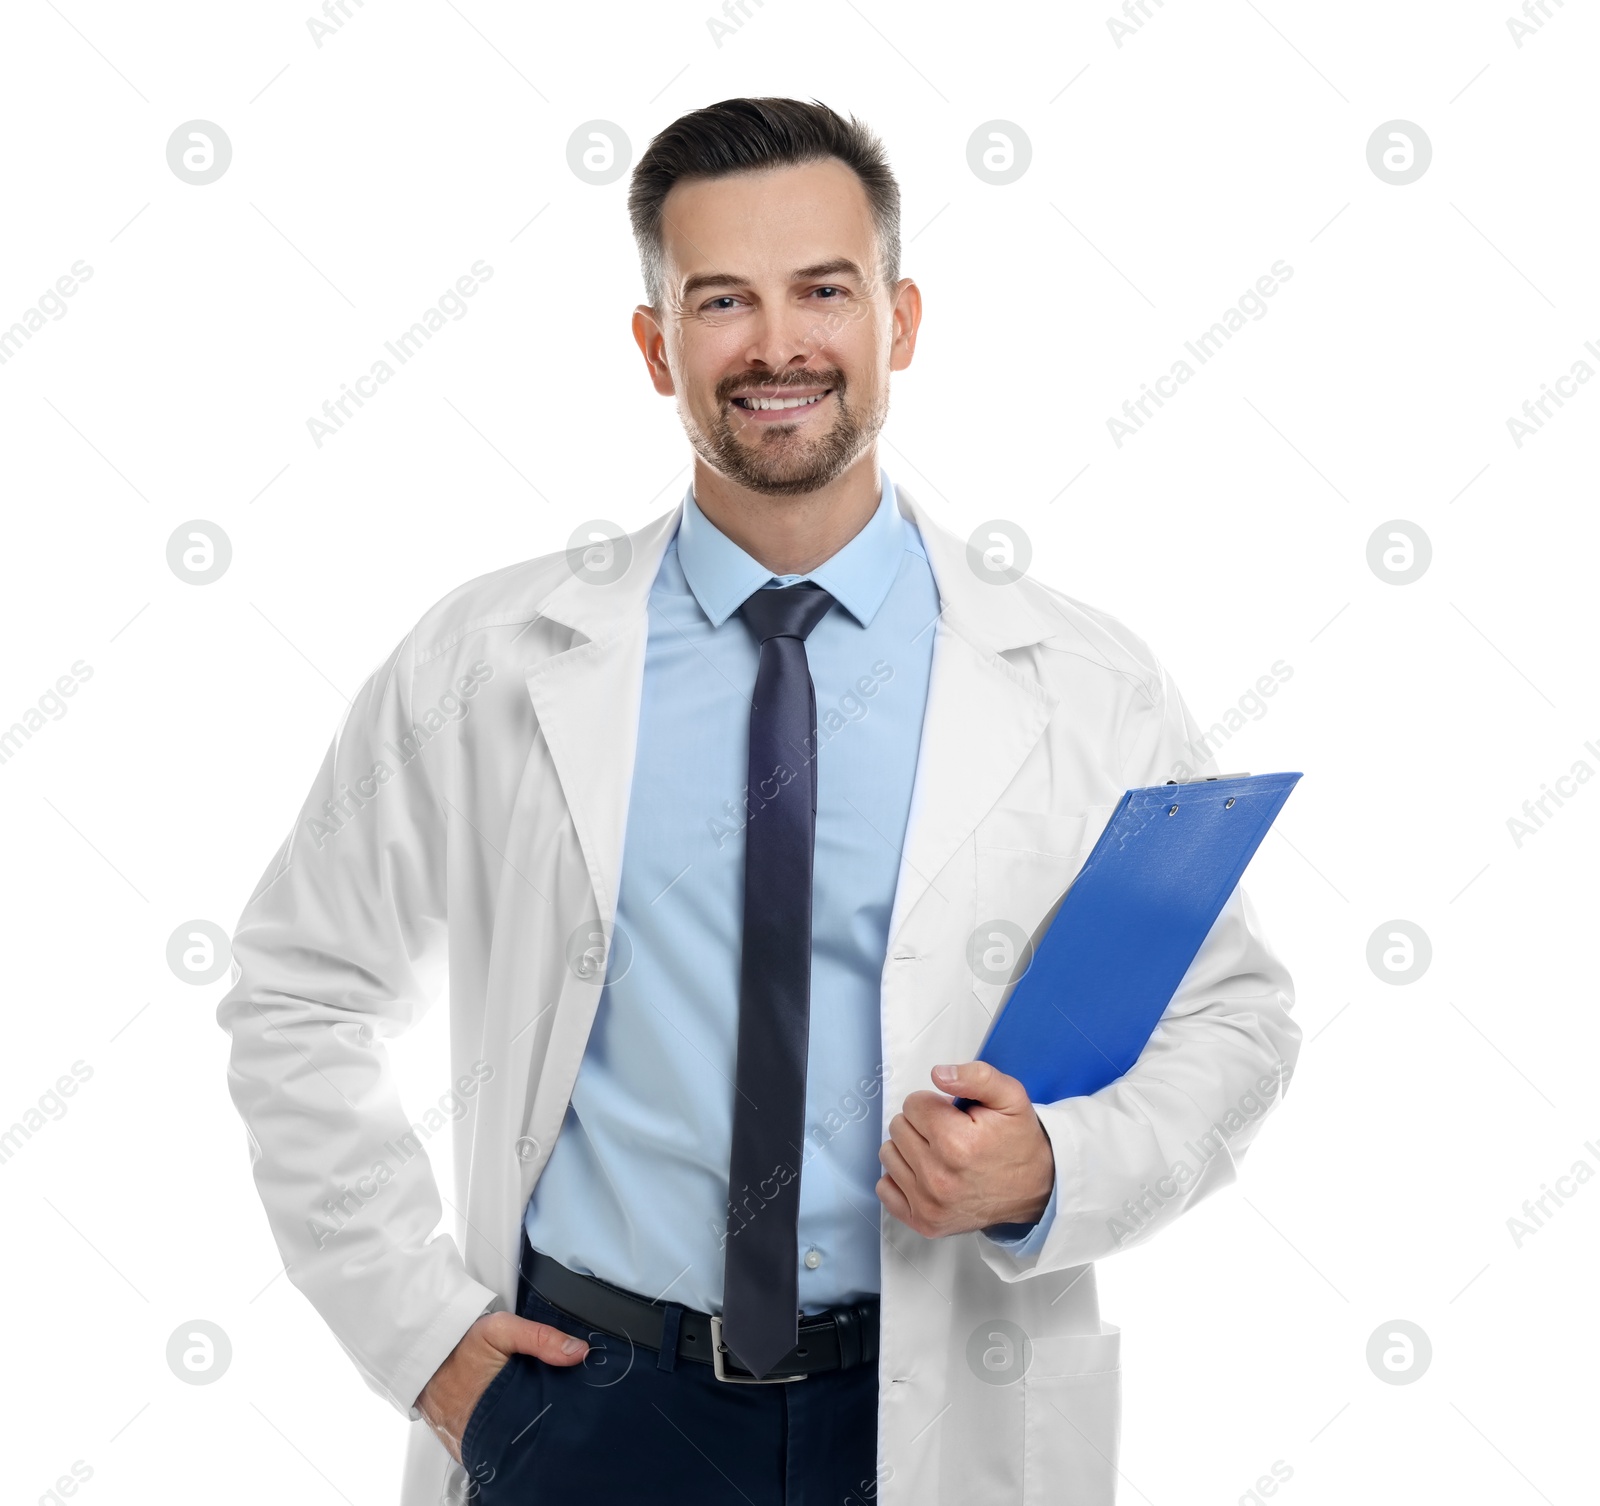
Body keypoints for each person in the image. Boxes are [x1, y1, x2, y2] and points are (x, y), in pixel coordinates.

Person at [217, 96, 1299, 1506]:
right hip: (583, 1410)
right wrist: (424, 1340)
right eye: (720, 298)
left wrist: (1053, 1166)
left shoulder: (1083, 681)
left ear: (900, 322)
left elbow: (1234, 1015)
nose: (778, 345)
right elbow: (298, 988)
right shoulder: (487, 661)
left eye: (824, 291)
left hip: (931, 1408)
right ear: (655, 344)